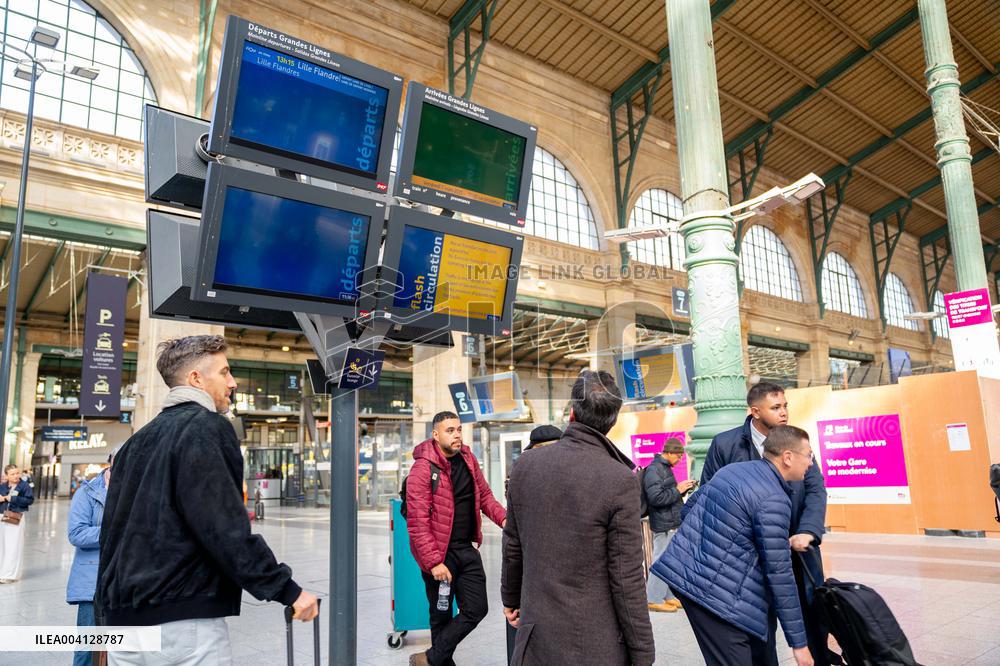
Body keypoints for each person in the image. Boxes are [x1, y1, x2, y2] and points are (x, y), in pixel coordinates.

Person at [96, 335, 318, 665]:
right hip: (182, 622)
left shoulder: (134, 443)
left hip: (124, 626)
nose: (232, 382)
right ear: (196, 379)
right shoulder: (206, 427)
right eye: (225, 372)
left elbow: (111, 534)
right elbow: (223, 527)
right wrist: (286, 590)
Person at [501, 370, 654, 666]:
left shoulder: (526, 465)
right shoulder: (619, 479)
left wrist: (510, 597)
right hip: (593, 642)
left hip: (537, 637)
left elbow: (513, 544)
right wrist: (643, 651)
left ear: (571, 412)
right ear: (612, 420)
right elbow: (626, 578)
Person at [653, 425, 816, 666]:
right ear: (788, 457)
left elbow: (689, 511)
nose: (811, 463)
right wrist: (800, 644)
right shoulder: (774, 497)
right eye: (809, 455)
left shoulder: (733, 470)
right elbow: (779, 572)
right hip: (715, 596)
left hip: (697, 582)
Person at [697, 381, 829, 665]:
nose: (784, 413)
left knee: (811, 622)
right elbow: (708, 495)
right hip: (746, 559)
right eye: (776, 407)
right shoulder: (725, 444)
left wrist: (808, 530)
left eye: (785, 406)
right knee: (759, 629)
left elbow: (816, 489)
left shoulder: (795, 442)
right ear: (755, 411)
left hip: (795, 551)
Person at [405, 411, 507, 666]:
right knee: (440, 615)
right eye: (450, 430)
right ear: (436, 434)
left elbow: (484, 496)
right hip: (440, 554)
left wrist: (506, 520)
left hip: (465, 549)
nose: (457, 434)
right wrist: (433, 562)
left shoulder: (468, 459)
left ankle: (429, 659)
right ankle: (439, 661)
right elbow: (417, 522)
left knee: (477, 608)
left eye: (459, 429)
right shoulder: (422, 468)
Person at [504, 425, 562, 665]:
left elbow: (512, 546)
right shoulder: (577, 472)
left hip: (532, 580)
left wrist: (510, 598)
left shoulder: (520, 474)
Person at [67, 446, 120, 666]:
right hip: (92, 582)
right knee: (88, 647)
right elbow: (76, 533)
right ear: (112, 462)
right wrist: (114, 530)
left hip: (125, 581)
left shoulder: (136, 491)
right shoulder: (87, 492)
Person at [644, 437, 694, 613]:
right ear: (670, 453)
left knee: (670, 561)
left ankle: (668, 596)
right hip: (664, 525)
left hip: (670, 522)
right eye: (679, 456)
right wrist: (678, 490)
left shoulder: (662, 468)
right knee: (661, 561)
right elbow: (656, 498)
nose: (680, 460)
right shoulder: (654, 470)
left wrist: (682, 490)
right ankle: (653, 598)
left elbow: (666, 495)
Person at [0, 464, 33, 583]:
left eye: (17, 473)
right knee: (2, 546)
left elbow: (29, 500)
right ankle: (2, 572)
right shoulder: (2, 486)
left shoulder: (24, 486)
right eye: (12, 474)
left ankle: (10, 575)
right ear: (6, 476)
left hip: (16, 518)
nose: (15, 476)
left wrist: (12, 499)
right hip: (2, 517)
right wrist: (2, 499)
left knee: (13, 546)